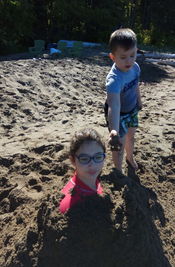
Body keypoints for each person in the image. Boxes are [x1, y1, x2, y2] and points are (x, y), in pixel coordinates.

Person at [104, 28, 142, 173]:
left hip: (132, 108)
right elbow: (113, 106)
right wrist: (114, 129)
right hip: (117, 114)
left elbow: (135, 84)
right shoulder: (114, 80)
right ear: (113, 57)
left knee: (131, 136)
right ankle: (118, 169)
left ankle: (130, 158)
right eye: (123, 57)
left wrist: (139, 100)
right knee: (118, 144)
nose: (129, 61)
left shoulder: (135, 67)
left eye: (132, 55)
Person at [59, 128, 106, 214]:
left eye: (98, 157)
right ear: (73, 160)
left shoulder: (95, 179)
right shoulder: (69, 206)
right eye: (84, 159)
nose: (93, 164)